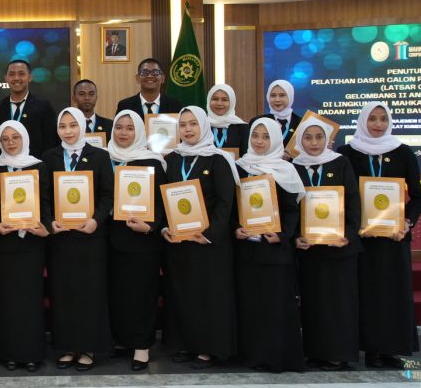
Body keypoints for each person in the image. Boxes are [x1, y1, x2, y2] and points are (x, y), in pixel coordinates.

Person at [338, 102, 421, 369]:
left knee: (392, 293)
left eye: (383, 119)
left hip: (393, 238)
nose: (378, 124)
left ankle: (391, 349)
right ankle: (370, 349)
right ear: (362, 121)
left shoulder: (403, 152)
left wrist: (407, 222)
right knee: (366, 293)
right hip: (361, 239)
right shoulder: (347, 153)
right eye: (372, 119)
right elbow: (341, 195)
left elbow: (418, 197)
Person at [162, 107, 238, 368]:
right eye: (183, 125)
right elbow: (163, 198)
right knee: (183, 294)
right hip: (180, 243)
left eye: (193, 124)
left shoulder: (218, 159)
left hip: (208, 244)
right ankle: (186, 343)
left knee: (209, 296)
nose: (188, 129)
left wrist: (208, 234)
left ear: (204, 126)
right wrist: (165, 228)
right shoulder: (173, 158)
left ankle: (208, 348)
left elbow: (226, 203)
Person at [40, 107, 114, 371]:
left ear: (82, 126)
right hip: (61, 239)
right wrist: (49, 222)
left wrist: (96, 220)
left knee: (90, 292)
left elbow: (108, 195)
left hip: (90, 236)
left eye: (73, 125)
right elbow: (43, 196)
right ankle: (67, 346)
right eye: (63, 126)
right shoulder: (49, 157)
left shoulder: (100, 156)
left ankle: (89, 348)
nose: (68, 131)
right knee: (63, 292)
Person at [232, 119, 306, 373]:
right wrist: (235, 229)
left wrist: (282, 235)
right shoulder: (240, 167)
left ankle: (277, 358)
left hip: (274, 250)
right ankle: (252, 356)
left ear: (275, 139)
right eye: (255, 135)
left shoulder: (285, 170)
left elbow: (292, 210)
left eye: (266, 136)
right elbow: (232, 207)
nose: (260, 141)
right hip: (247, 251)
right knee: (250, 306)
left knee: (275, 307)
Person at [293, 116, 361, 370]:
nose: (314, 143)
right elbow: (290, 206)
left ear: (327, 139)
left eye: (319, 137)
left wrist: (348, 235)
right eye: (308, 138)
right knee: (314, 302)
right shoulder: (294, 167)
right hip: (309, 250)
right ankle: (315, 351)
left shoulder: (340, 163)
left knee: (338, 302)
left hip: (337, 249)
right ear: (300, 141)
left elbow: (353, 202)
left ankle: (337, 353)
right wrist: (295, 236)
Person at [106, 110, 167, 372]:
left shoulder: (152, 162)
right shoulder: (104, 157)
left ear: (140, 132)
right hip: (108, 238)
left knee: (141, 293)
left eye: (130, 128)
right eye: (119, 127)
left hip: (142, 239)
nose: (123, 133)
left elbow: (162, 202)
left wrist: (150, 226)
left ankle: (141, 345)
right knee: (116, 292)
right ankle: (121, 340)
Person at [0, 120, 48, 372]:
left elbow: (47, 201)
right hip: (3, 243)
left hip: (32, 243)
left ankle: (32, 353)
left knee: (30, 300)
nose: (10, 142)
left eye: (16, 137)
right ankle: (9, 353)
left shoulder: (38, 166)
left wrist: (45, 226)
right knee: (6, 300)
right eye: (5, 138)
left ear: (25, 138)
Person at [0, 60, 59, 158]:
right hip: (6, 164)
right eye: (12, 74)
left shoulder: (43, 106)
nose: (16, 78)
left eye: (21, 74)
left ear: (30, 77)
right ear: (6, 78)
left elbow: (51, 141)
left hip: (36, 164)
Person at [115, 58, 184, 118]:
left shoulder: (175, 105)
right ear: (137, 78)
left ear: (163, 78)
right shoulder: (125, 106)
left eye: (155, 72)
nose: (150, 76)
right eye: (145, 72)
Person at [252, 80, 301, 147]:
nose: (277, 100)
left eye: (282, 95)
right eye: (273, 95)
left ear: (290, 97)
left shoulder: (301, 123)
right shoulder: (258, 121)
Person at [207, 84, 249, 155]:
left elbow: (246, 155)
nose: (219, 103)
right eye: (215, 99)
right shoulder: (202, 125)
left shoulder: (242, 127)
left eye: (224, 100)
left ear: (232, 102)